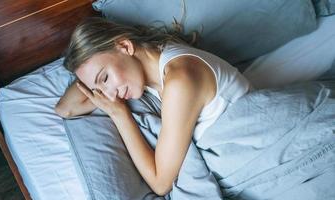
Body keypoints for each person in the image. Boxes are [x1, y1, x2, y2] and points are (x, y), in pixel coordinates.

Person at [55, 17, 251, 196]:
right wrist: (90, 72)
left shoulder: (179, 81)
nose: (109, 95)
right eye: (97, 88)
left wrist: (121, 115)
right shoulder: (152, 58)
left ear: (125, 46)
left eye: (105, 78)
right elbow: (65, 109)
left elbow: (160, 183)